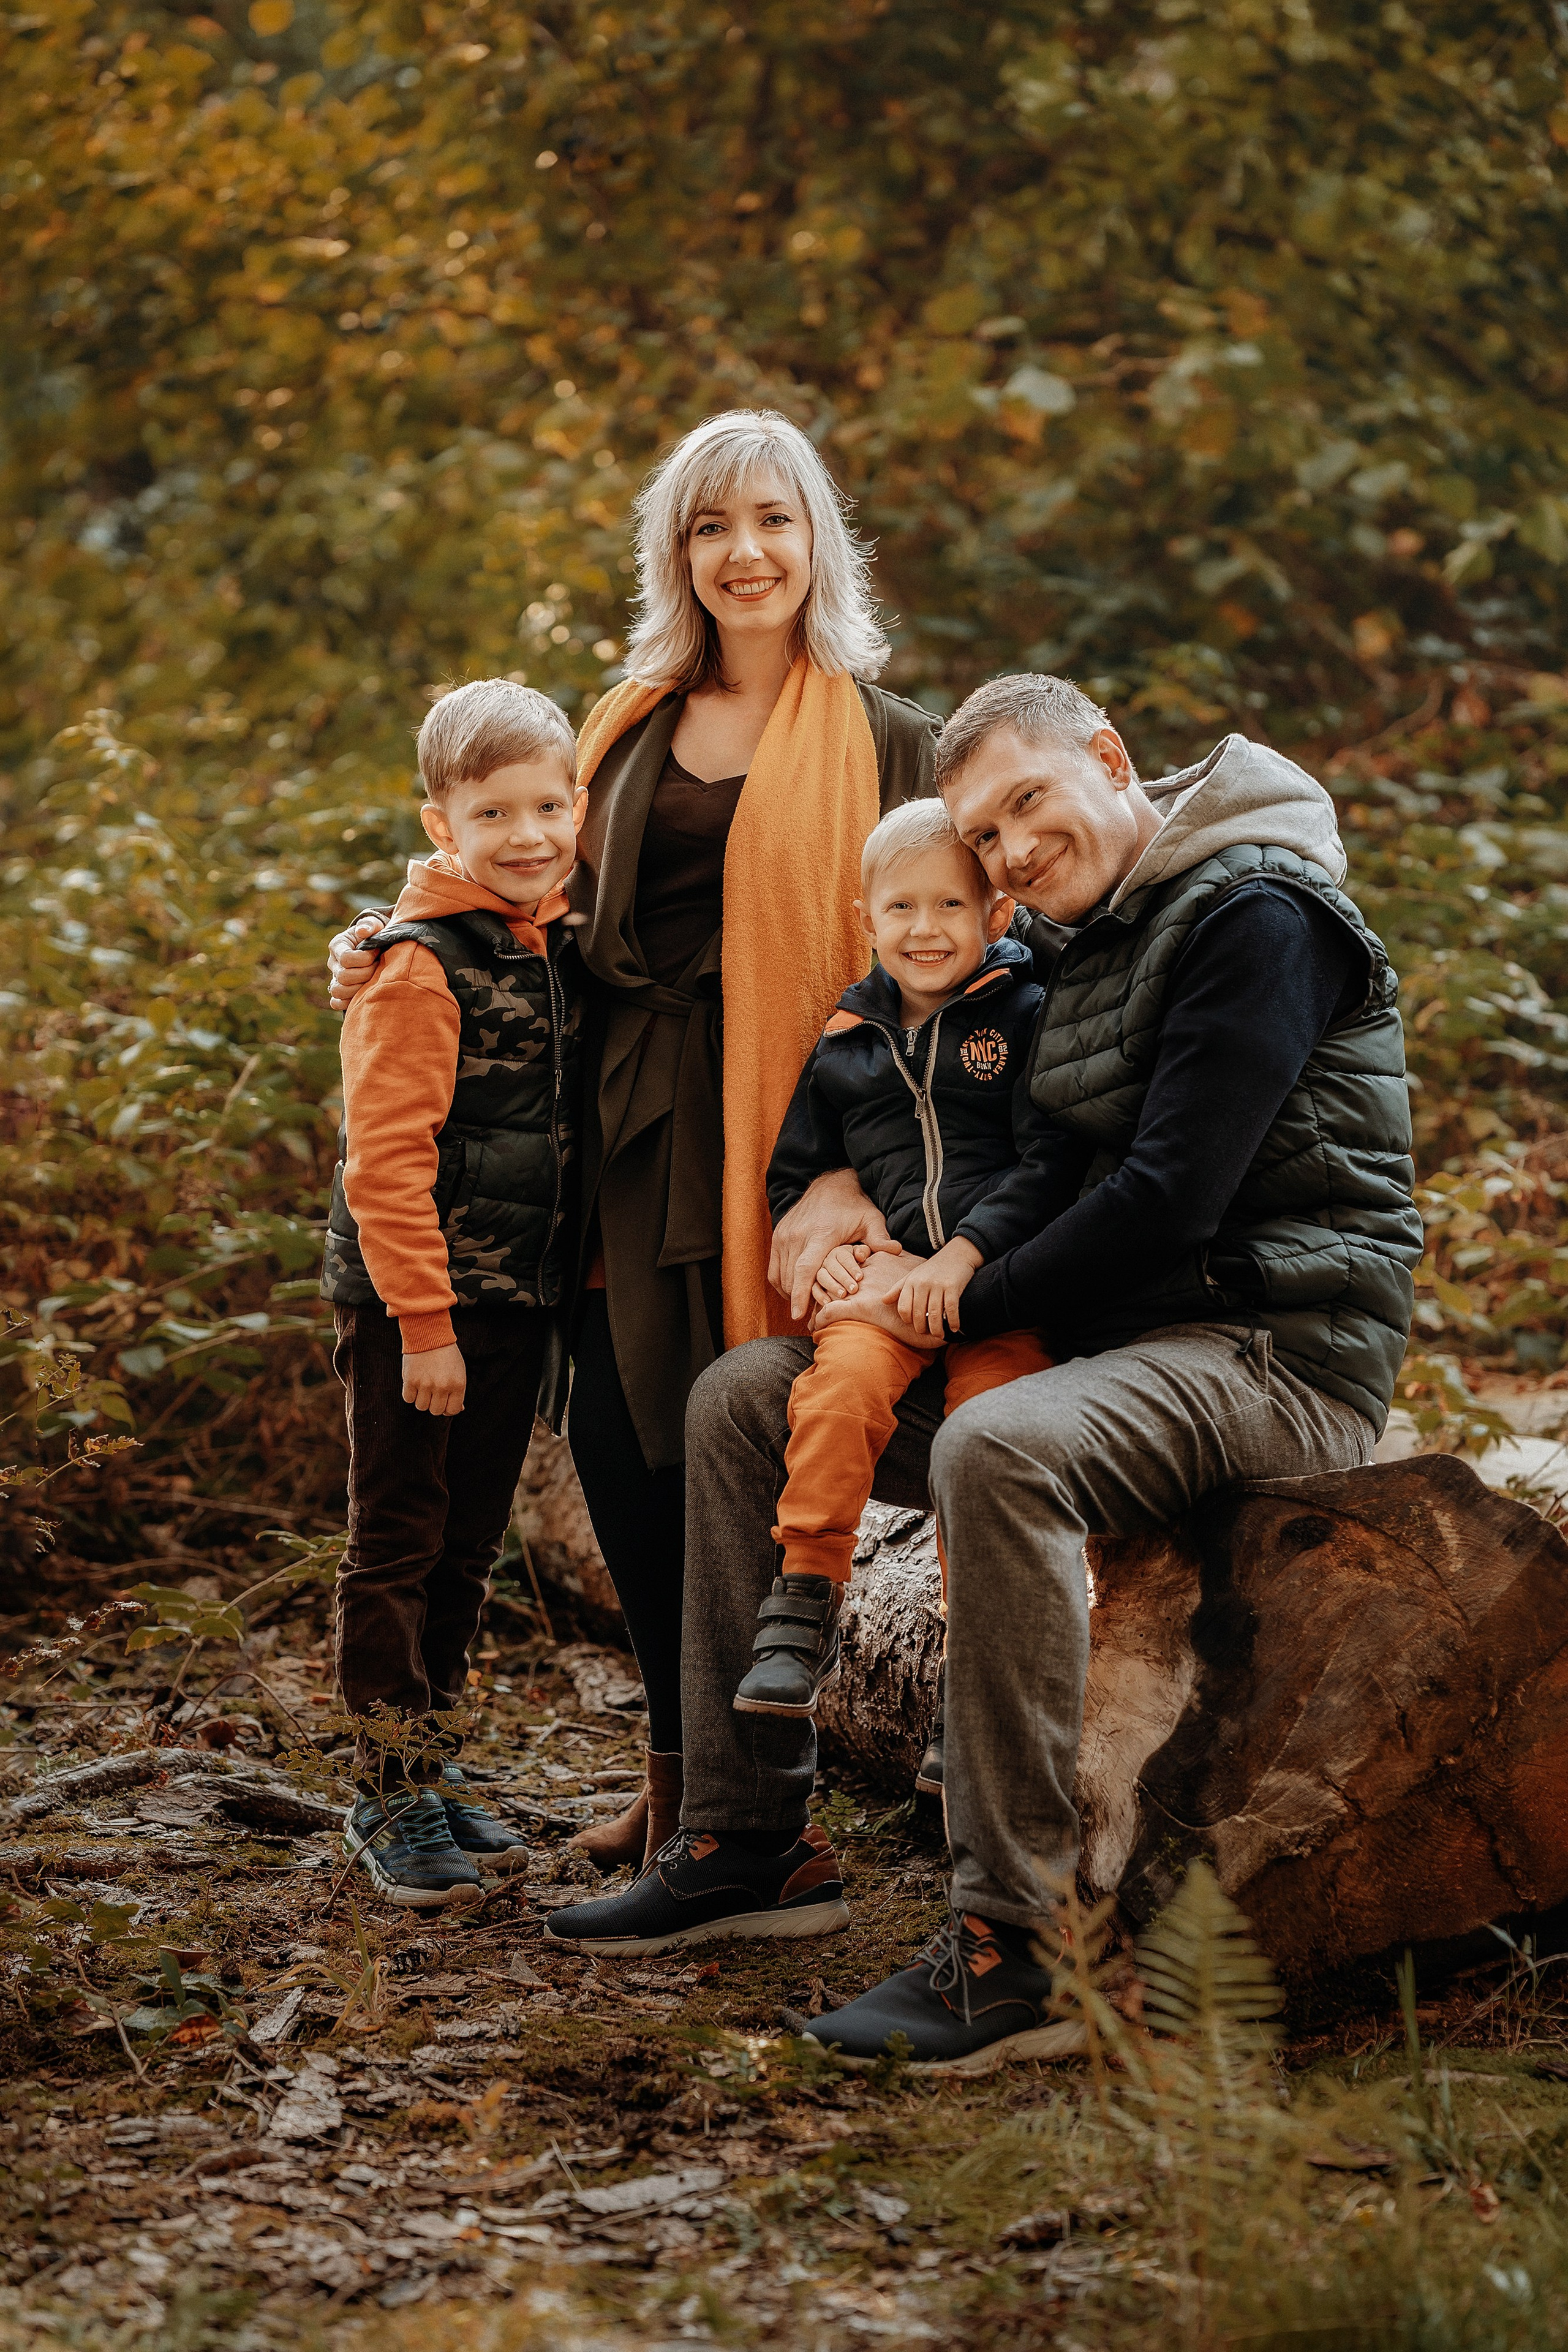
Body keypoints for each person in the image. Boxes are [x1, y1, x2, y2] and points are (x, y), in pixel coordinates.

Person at [542, 673, 1425, 2049]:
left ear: (1111, 759)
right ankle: (746, 1840)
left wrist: (941, 1300)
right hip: (1104, 1345)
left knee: (993, 1445)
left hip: (1270, 1346)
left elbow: (1167, 1195)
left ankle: (1016, 1941)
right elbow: (942, 1112)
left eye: (1026, 801)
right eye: (983, 831)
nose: (1008, 849)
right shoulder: (1067, 939)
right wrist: (822, 1189)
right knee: (742, 1404)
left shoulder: (1256, 914)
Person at [328, 412, 938, 1872]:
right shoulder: (621, 719)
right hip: (607, 1126)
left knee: (730, 1436)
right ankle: (678, 1782)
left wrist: (860, 1156)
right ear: (677, 552)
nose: (745, 553)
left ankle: (739, 1806)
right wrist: (383, 940)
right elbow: (513, 879)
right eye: (710, 527)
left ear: (817, 540)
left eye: (772, 521)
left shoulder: (886, 736)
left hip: (784, 1133)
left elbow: (943, 954)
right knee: (611, 1434)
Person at [326, 679, 587, 1909]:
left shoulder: (539, 938)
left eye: (551, 803)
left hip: (510, 1301)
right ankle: (381, 1793)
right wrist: (422, 1327)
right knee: (398, 1544)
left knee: (468, 1548)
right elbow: (383, 1164)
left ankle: (427, 1767)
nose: (529, 834)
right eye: (496, 813)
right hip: (416, 1309)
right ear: (442, 825)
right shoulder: (418, 966)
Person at [731, 797, 1054, 1744]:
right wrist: (837, 1249)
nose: (926, 929)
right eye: (902, 909)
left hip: (999, 1288)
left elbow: (1050, 1165)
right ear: (864, 919)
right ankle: (805, 1600)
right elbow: (796, 1175)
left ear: (996, 916)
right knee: (835, 1395)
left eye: (951, 907)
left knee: (987, 1445)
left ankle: (976, 1665)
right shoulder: (843, 1045)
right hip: (885, 1287)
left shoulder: (1028, 1016)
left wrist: (970, 1254)